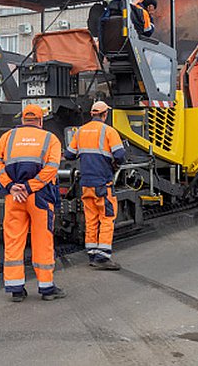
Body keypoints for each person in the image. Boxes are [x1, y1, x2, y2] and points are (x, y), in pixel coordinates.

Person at [0, 104, 65, 302]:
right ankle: (47, 288)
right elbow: (51, 169)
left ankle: (15, 289)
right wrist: (29, 187)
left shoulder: (8, 137)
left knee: (14, 241)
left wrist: (12, 186)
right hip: (39, 197)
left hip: (14, 197)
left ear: (23, 119)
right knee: (42, 240)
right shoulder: (51, 139)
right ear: (40, 121)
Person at [65, 100, 126, 270]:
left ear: (92, 114)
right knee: (107, 218)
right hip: (103, 184)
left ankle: (92, 253)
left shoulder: (80, 131)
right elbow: (120, 155)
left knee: (91, 219)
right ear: (105, 114)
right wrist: (113, 163)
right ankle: (103, 257)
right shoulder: (109, 131)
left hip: (86, 184)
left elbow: (69, 155)